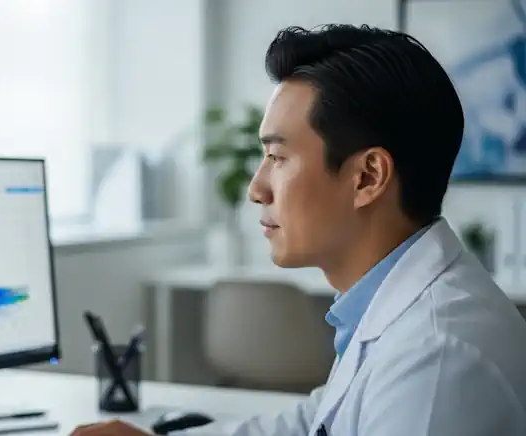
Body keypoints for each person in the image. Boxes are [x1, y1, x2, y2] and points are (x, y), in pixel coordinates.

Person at [70, 24, 526, 436]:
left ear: (367, 177)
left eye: (278, 158)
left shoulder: (436, 361)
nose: (256, 188)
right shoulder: (393, 312)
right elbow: (311, 423)